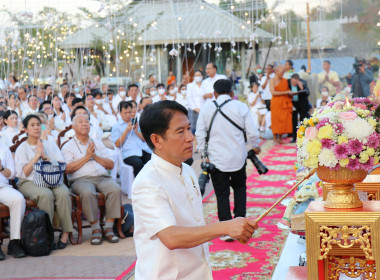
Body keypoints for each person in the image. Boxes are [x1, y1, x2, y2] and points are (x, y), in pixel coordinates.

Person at [132, 100, 258, 279]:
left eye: (189, 129)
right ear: (157, 140)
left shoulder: (188, 170)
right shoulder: (148, 182)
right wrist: (225, 227)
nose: (190, 137)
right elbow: (171, 237)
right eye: (180, 132)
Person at [196, 79, 261, 238]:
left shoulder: (206, 108)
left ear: (214, 93)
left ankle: (225, 230)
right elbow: (252, 132)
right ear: (232, 93)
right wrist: (255, 145)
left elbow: (200, 134)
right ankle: (241, 224)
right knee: (240, 189)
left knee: (221, 193)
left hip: (216, 159)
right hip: (238, 157)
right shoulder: (240, 106)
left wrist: (204, 156)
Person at [15, 115, 73, 249]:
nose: (36, 128)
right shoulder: (22, 148)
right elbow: (24, 173)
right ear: (25, 129)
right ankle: (46, 235)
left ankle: (65, 232)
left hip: (51, 179)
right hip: (29, 182)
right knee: (46, 195)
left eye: (38, 125)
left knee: (64, 193)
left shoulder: (49, 143)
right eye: (32, 125)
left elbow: (61, 163)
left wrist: (48, 159)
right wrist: (36, 156)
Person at [62, 113, 121, 245]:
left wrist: (94, 156)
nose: (84, 124)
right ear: (73, 127)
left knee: (115, 189)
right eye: (81, 122)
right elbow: (67, 168)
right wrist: (87, 157)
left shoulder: (97, 143)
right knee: (88, 193)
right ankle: (95, 229)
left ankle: (108, 227)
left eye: (87, 122)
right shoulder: (68, 146)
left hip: (102, 177)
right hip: (81, 179)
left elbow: (110, 164)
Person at [0, 142, 26, 260]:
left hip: (3, 187)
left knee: (18, 199)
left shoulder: (3, 147)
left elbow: (12, 174)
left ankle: (14, 241)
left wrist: (1, 168)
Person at [111, 101, 151, 177]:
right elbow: (117, 144)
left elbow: (145, 139)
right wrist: (126, 131)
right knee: (138, 163)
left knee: (153, 160)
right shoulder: (116, 126)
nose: (128, 115)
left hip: (143, 149)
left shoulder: (137, 122)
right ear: (120, 113)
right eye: (125, 113)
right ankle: (140, 185)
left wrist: (136, 131)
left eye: (129, 112)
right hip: (129, 153)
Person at [269, 65, 293, 144]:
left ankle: (280, 138)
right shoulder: (272, 80)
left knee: (284, 119)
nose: (283, 73)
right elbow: (273, 92)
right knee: (275, 120)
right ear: (276, 71)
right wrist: (285, 92)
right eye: (281, 72)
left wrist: (289, 93)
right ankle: (275, 138)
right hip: (276, 102)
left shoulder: (285, 80)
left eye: (283, 72)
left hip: (284, 102)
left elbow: (287, 89)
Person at [288, 74, 310, 143]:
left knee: (302, 121)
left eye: (295, 83)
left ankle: (303, 136)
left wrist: (301, 88)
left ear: (298, 80)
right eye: (293, 82)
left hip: (302, 104)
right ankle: (294, 137)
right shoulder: (287, 83)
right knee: (293, 121)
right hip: (293, 104)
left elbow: (308, 93)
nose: (294, 84)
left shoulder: (303, 82)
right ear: (291, 80)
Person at [187, 70, 204, 136]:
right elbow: (189, 97)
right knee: (193, 129)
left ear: (202, 76)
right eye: (196, 75)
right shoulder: (190, 85)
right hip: (193, 109)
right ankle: (194, 145)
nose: (197, 77)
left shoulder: (205, 84)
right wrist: (195, 108)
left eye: (199, 75)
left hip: (203, 109)